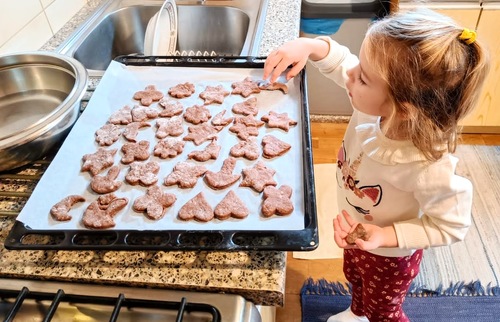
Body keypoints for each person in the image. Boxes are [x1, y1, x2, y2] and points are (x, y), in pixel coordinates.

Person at [263, 7, 490, 322]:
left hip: (389, 258)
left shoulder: (427, 166)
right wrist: (312, 47)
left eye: (363, 78)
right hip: (356, 231)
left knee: (383, 311)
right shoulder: (377, 106)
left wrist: (386, 236)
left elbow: (452, 225)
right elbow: (343, 62)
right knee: (355, 280)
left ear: (404, 109)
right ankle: (356, 314)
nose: (351, 74)